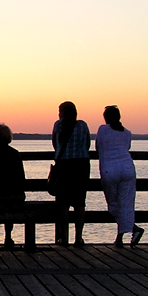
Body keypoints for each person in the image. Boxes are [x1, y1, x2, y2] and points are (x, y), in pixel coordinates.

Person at [96, 106, 143, 247]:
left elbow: (98, 148)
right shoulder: (127, 133)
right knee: (126, 204)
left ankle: (127, 233)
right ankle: (125, 235)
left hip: (109, 170)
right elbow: (127, 148)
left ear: (106, 118)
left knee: (113, 205)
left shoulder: (103, 130)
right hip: (127, 168)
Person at [51, 101, 91, 247]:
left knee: (63, 204)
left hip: (64, 165)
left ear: (62, 113)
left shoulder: (58, 125)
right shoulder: (83, 125)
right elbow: (87, 144)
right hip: (81, 165)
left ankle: (64, 238)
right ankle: (79, 238)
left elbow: (55, 145)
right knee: (80, 203)